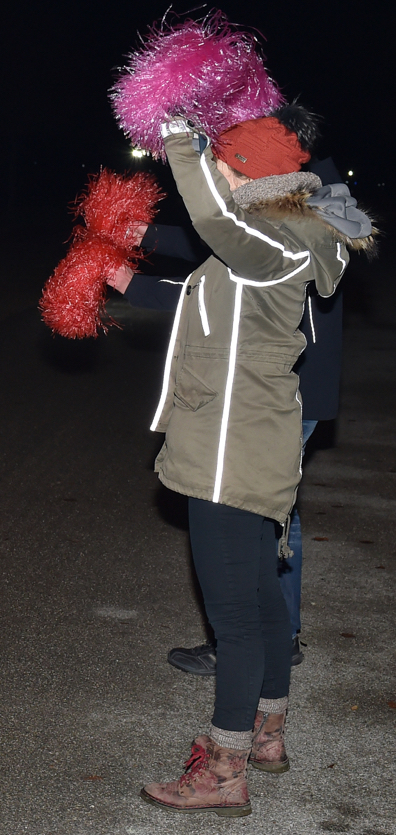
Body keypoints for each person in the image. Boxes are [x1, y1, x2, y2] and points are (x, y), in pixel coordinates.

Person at [136, 112, 372, 815]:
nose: (221, 177)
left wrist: (181, 139)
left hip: (230, 450)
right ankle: (267, 731)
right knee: (264, 600)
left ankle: (225, 767)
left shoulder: (269, 238)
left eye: (229, 166)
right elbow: (212, 299)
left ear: (252, 175)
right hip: (246, 440)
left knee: (234, 614)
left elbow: (210, 218)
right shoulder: (282, 237)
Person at [112, 152, 349, 675]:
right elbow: (218, 250)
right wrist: (144, 233)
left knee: (246, 516)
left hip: (276, 384)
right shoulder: (302, 182)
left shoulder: (298, 188)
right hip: (285, 380)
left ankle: (247, 646)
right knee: (271, 513)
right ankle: (274, 640)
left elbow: (228, 273)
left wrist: (138, 280)